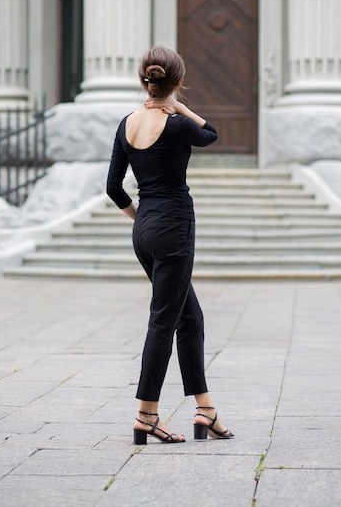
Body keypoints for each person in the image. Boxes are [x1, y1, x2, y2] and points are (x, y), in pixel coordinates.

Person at [106, 46, 234, 444]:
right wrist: (179, 108)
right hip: (175, 226)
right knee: (164, 320)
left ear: (145, 80)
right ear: (176, 82)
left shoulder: (126, 123)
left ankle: (205, 410)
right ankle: (147, 415)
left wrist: (141, 217)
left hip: (143, 230)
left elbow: (114, 188)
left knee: (189, 318)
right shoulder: (176, 125)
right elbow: (211, 134)